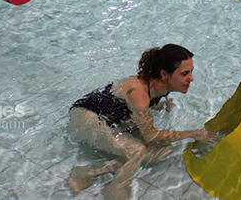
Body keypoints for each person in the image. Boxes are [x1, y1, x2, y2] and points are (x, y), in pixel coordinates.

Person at [67, 44, 215, 200]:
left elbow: (144, 107)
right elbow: (150, 135)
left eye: (191, 71)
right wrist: (194, 133)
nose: (191, 78)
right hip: (88, 118)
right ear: (164, 74)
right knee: (138, 151)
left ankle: (88, 171)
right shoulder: (139, 94)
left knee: (161, 150)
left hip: (113, 120)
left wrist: (158, 105)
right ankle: (116, 188)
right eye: (185, 73)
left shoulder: (160, 85)